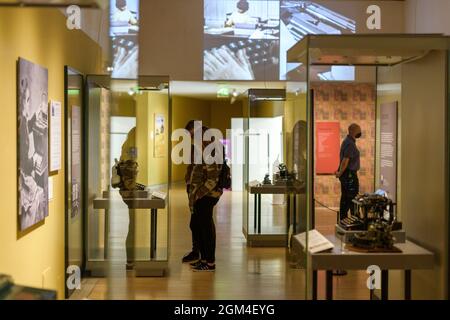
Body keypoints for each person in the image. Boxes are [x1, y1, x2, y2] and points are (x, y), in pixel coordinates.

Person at [187, 125, 223, 272]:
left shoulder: (209, 148)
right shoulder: (202, 146)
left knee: (205, 229)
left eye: (191, 134)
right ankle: (203, 259)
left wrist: (198, 194)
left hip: (206, 195)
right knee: (196, 226)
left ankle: (209, 262)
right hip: (201, 195)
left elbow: (212, 178)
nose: (190, 138)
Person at [182, 120, 201, 263]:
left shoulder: (205, 145)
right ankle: (197, 251)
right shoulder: (195, 146)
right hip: (193, 188)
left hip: (199, 190)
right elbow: (191, 167)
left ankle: (199, 252)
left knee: (197, 222)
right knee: (195, 222)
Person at [335, 123, 362, 221]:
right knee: (351, 199)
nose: (360, 132)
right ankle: (352, 222)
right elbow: (345, 161)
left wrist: (340, 173)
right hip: (349, 175)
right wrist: (340, 173)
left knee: (346, 199)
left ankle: (346, 221)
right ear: (352, 131)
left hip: (347, 175)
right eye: (358, 130)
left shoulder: (348, 141)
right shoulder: (350, 143)